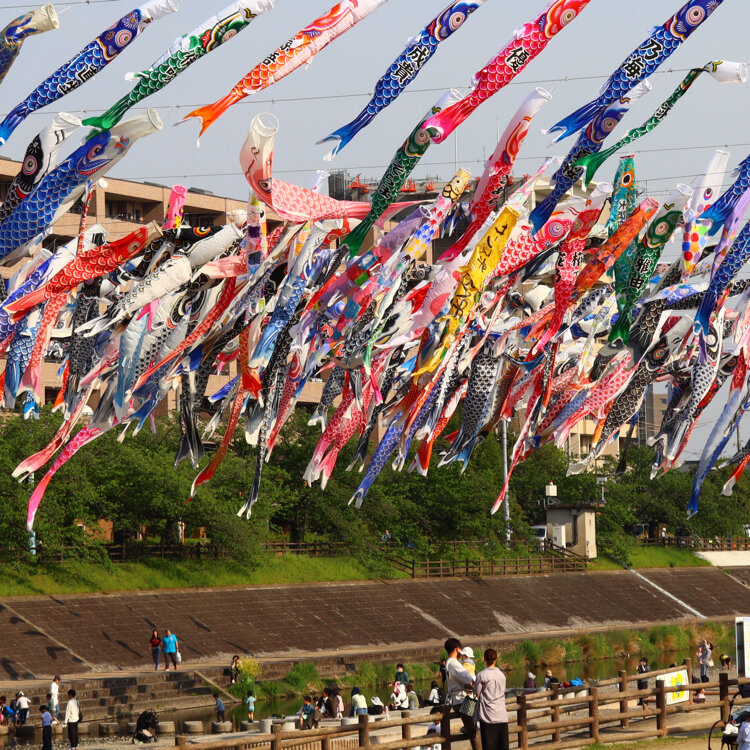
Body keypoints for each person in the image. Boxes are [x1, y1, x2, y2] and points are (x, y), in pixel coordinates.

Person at [474, 648, 509, 750]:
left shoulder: (482, 675)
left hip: (487, 715)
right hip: (501, 714)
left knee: (489, 745)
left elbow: (476, 693)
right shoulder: (502, 675)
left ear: (484, 659)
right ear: (496, 659)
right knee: (502, 745)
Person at [444, 637, 475, 737]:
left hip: (458, 700)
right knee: (473, 728)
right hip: (463, 700)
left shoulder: (449, 662)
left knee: (473, 728)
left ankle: (467, 729)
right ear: (457, 649)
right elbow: (467, 678)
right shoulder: (454, 663)